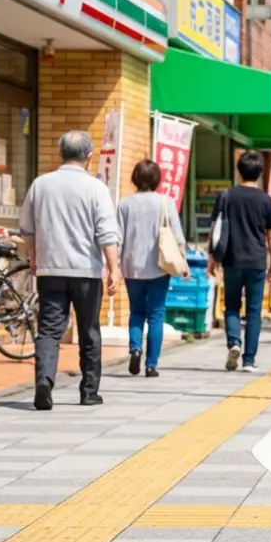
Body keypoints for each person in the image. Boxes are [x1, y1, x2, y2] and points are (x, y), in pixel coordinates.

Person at [20, 130, 122, 410]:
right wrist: (113, 268)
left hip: (50, 269)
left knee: (50, 331)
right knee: (89, 329)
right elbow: (106, 232)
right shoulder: (96, 188)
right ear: (89, 157)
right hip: (86, 272)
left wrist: (33, 257)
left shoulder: (40, 185)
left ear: (60, 153)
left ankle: (44, 381)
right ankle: (89, 391)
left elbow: (27, 229)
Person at [208, 151, 271, 372]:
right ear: (259, 174)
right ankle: (249, 360)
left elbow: (215, 230)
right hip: (257, 261)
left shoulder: (227, 196)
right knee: (254, 311)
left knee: (231, 306)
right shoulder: (266, 200)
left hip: (232, 259)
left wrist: (212, 258)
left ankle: (234, 343)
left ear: (238, 172)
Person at [117, 160, 186, 378]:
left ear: (135, 179)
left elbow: (116, 238)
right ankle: (151, 364)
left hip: (132, 267)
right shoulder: (165, 202)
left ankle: (135, 348)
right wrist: (182, 260)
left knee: (136, 311)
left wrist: (113, 266)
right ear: (157, 179)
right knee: (156, 314)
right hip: (159, 267)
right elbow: (177, 236)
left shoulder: (124, 204)